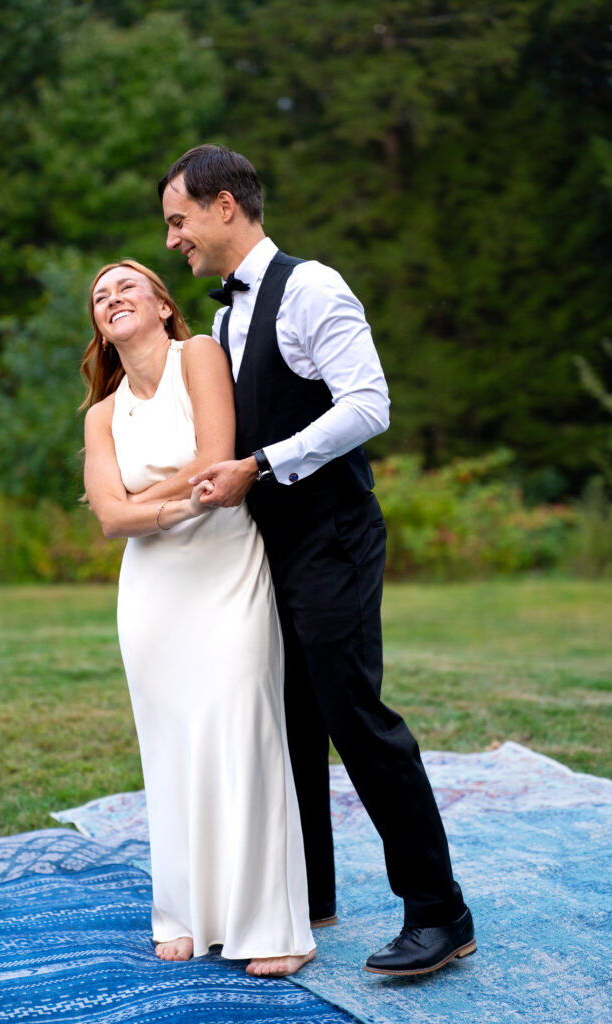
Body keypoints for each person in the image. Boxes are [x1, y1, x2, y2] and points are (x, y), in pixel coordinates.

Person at [157, 144, 476, 976]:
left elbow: (368, 405)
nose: (172, 239)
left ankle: (438, 911)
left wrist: (263, 463)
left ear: (225, 206)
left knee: (353, 716)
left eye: (179, 220)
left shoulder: (312, 287)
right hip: (265, 548)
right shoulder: (222, 322)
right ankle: (305, 893)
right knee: (287, 720)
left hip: (332, 535)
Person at [81, 258, 316, 977]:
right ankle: (183, 911)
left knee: (243, 730)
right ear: (100, 326)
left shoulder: (201, 356)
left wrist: (142, 505)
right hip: (152, 593)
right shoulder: (101, 415)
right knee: (171, 746)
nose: (112, 298)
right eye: (100, 296)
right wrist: (174, 505)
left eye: (127, 286)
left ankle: (272, 925)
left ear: (161, 306)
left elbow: (217, 460)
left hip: (225, 570)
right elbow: (109, 520)